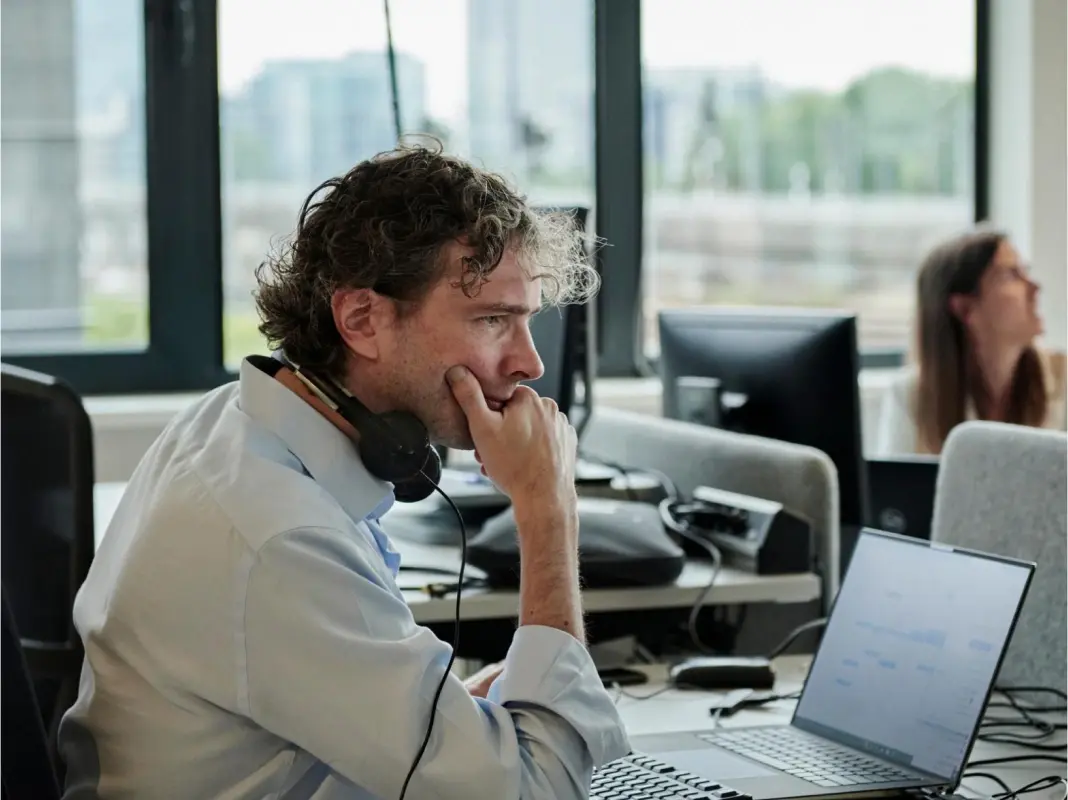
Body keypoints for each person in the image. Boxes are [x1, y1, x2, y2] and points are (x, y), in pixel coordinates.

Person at [59, 145, 630, 799]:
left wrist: (453, 719)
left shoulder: (231, 423)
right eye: (492, 320)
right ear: (362, 319)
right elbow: (539, 792)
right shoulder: (278, 537)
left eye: (526, 320)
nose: (529, 363)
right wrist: (547, 507)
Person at [875, 227, 1066, 455]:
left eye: (1025, 271)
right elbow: (896, 488)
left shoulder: (1063, 376)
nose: (1034, 288)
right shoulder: (910, 397)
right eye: (1012, 275)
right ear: (965, 309)